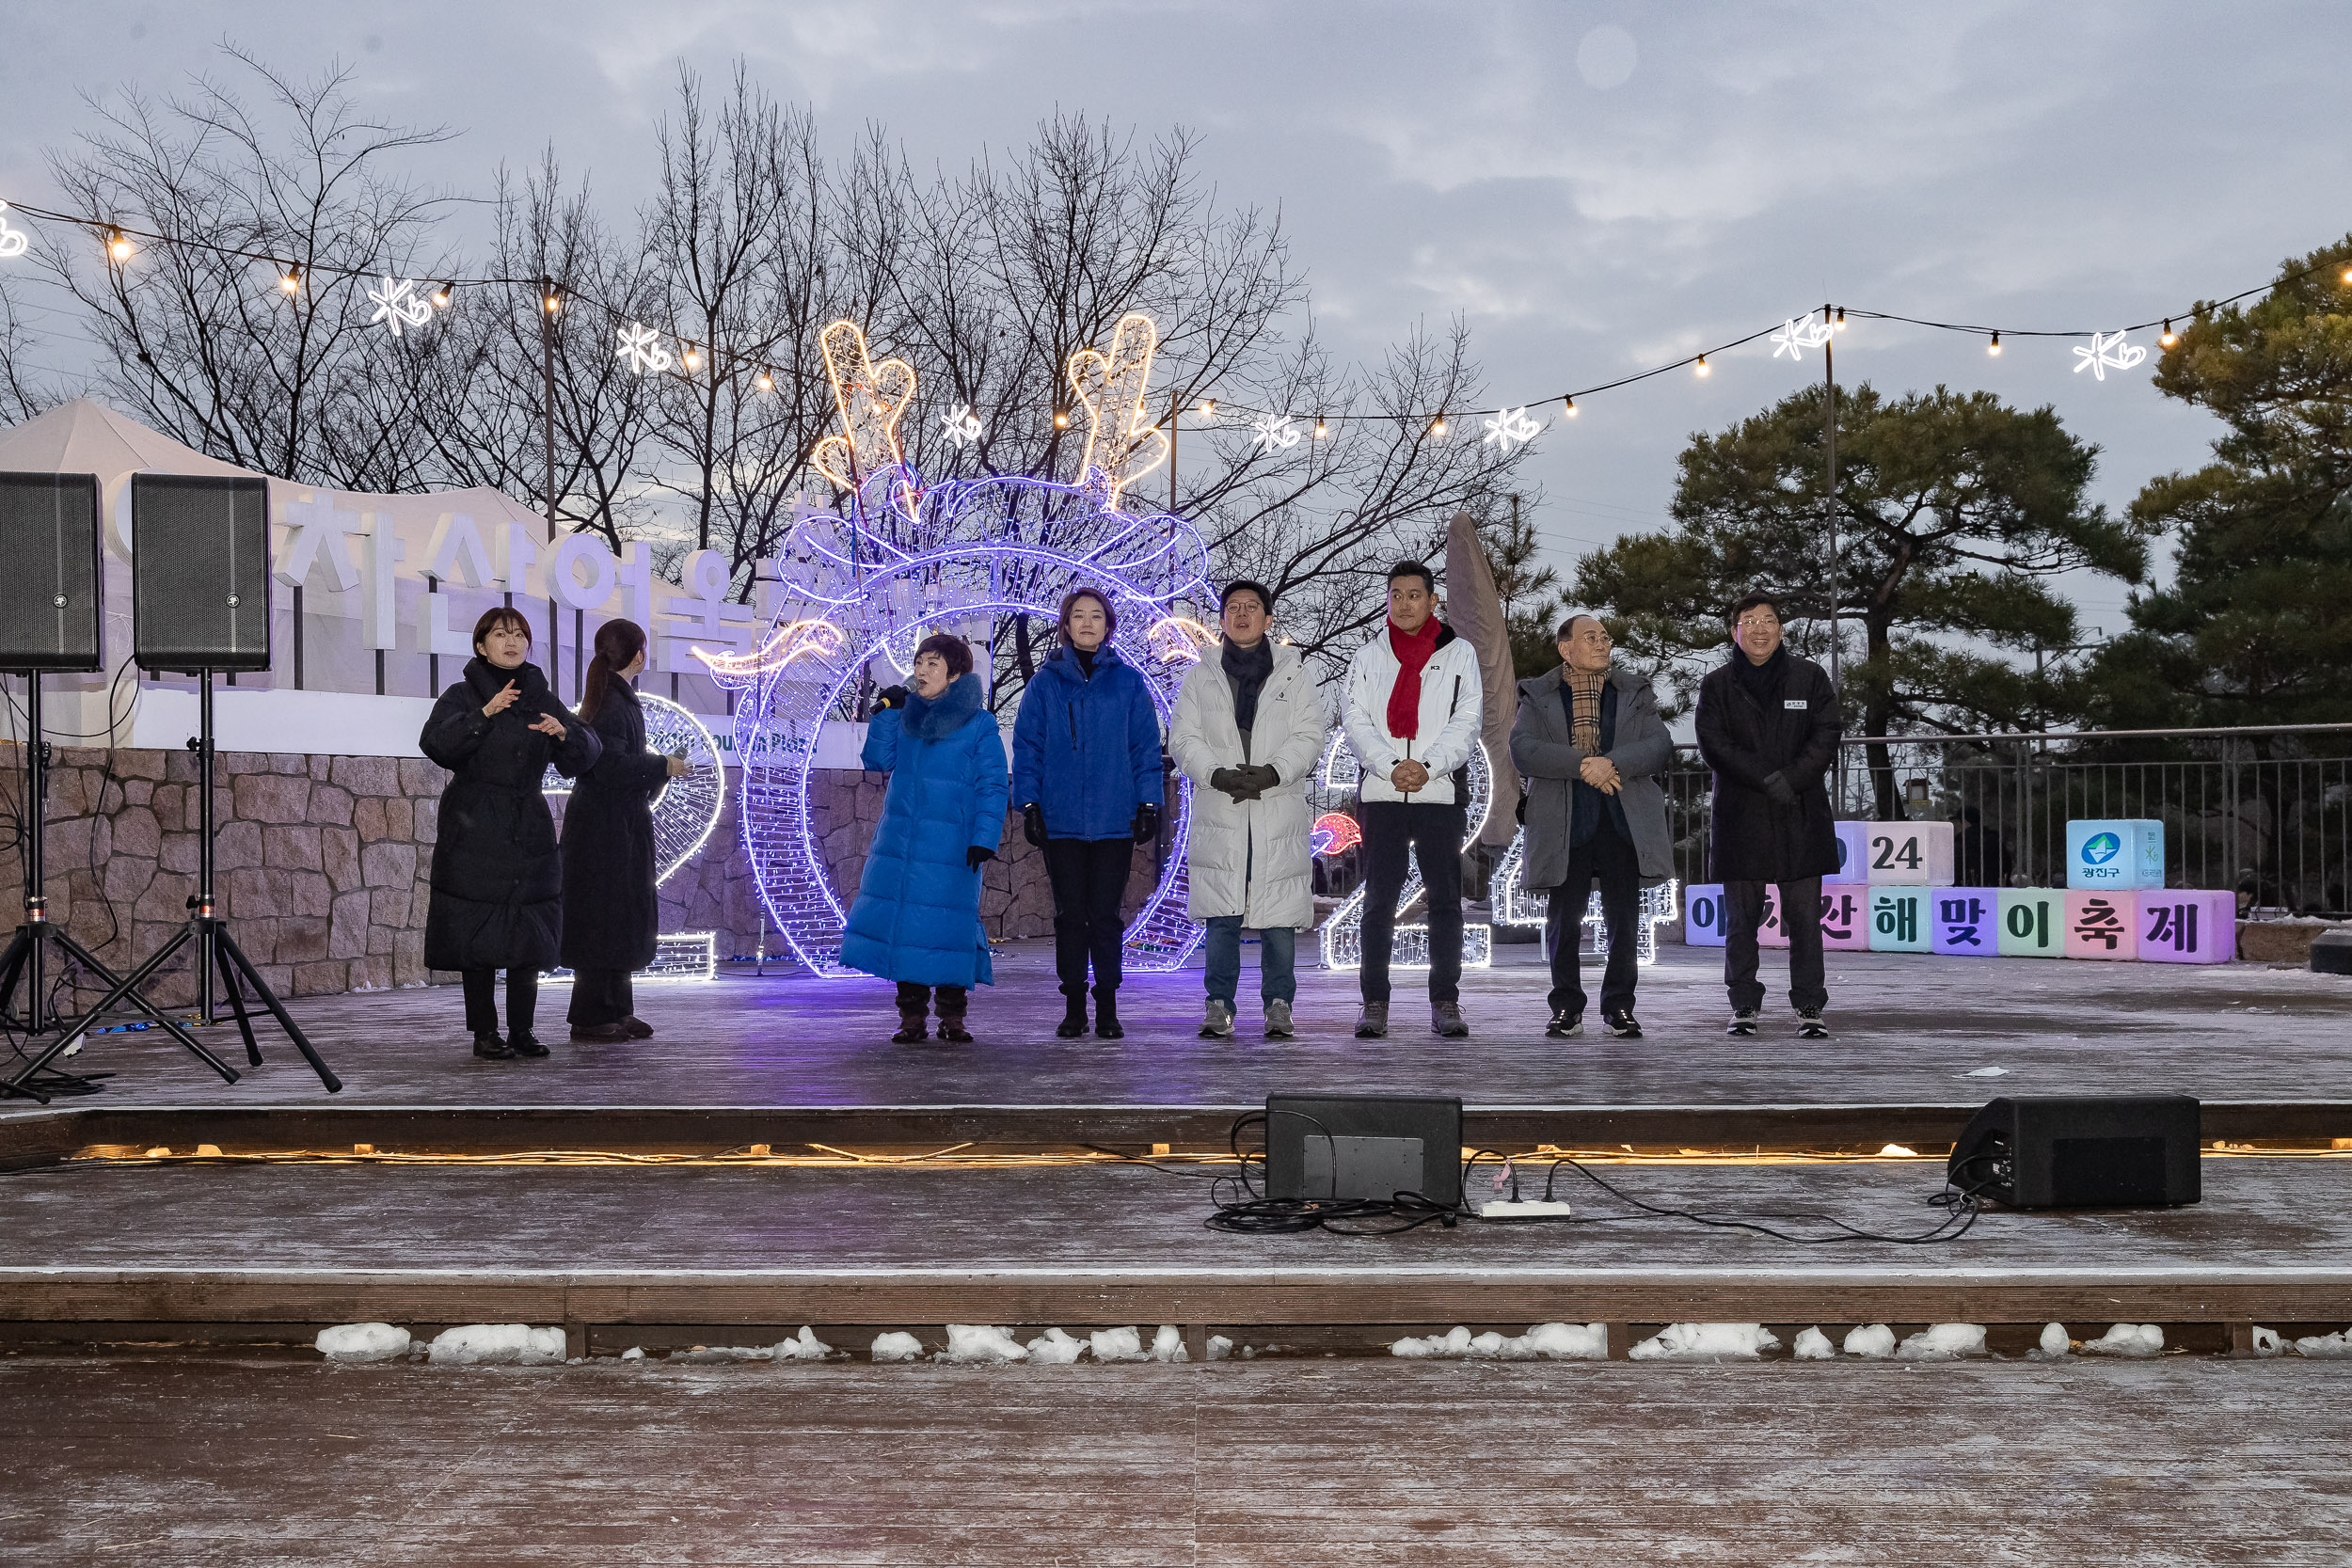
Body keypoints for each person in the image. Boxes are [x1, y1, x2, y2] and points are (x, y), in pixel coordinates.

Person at [420, 607, 599, 1059]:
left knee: (528, 935)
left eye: (519, 634)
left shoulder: (541, 695)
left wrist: (565, 735)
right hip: (475, 825)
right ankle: (485, 1033)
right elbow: (436, 744)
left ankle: (523, 1030)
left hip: (527, 827)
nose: (512, 641)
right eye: (501, 634)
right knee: (477, 936)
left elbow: (586, 752)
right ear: (482, 645)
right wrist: (483, 713)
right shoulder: (462, 694)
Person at [1169, 579, 1325, 1039]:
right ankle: (1219, 1004)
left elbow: (1309, 735)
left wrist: (1275, 773)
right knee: (1223, 915)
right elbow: (1183, 738)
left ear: (1268, 618)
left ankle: (1279, 1005)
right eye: (1232, 608)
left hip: (1277, 808)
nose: (1241, 615)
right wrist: (1216, 775)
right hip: (1223, 807)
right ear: (1220, 621)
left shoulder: (1295, 673)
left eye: (1252, 608)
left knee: (1277, 915)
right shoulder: (1200, 676)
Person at [1509, 613, 1675, 1040]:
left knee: (1624, 919)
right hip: (1565, 823)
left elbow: (1658, 746)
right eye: (1590, 637)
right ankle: (1566, 1006)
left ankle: (1619, 1007)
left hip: (1622, 822)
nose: (1602, 644)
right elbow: (1523, 749)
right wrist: (1583, 765)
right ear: (1566, 649)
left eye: (1605, 637)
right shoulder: (1540, 694)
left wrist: (1611, 764)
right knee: (1564, 920)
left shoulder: (1634, 692)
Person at [1010, 589, 1164, 1040]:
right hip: (1061, 821)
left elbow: (1144, 748)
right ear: (1065, 625)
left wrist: (1148, 803)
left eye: (1096, 616)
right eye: (1078, 616)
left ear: (1108, 626)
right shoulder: (1044, 684)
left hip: (1114, 820)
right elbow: (1028, 747)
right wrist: (1031, 804)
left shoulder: (1129, 684)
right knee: (1069, 915)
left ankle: (1108, 1005)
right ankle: (1074, 1003)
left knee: (1106, 916)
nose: (1087, 623)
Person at [842, 632, 1009, 1042]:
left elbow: (993, 784)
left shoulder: (980, 723)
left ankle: (953, 1017)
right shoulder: (906, 717)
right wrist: (885, 714)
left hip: (953, 845)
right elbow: (878, 760)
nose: (921, 671)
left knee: (949, 928)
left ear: (954, 674)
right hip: (901, 843)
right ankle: (911, 1018)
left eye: (933, 664)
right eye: (919, 663)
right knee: (907, 927)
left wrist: (984, 836)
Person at [1341, 561, 1483, 1038]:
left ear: (1432, 600)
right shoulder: (1367, 656)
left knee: (1444, 900)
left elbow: (1467, 720)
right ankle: (1374, 1002)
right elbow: (1355, 719)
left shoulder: (1459, 653)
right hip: (1382, 794)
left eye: (1414, 595)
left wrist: (1427, 766)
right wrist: (1388, 765)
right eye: (1396, 595)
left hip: (1439, 793)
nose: (1404, 604)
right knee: (1379, 899)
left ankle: (1445, 1000)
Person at [1694, 590, 1842, 1038]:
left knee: (1804, 920)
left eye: (1769, 619)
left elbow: (1827, 733)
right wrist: (1765, 778)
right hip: (1742, 814)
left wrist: (1791, 779)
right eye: (1750, 620)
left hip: (1800, 811)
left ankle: (1810, 1007)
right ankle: (1743, 1005)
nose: (1760, 628)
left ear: (1781, 628)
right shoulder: (1717, 684)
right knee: (1741, 920)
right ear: (1734, 630)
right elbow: (1713, 742)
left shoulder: (1810, 677)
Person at [559, 619, 693, 1044]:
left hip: (614, 826)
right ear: (638, 655)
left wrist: (658, 768)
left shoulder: (613, 697)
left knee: (616, 918)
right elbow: (608, 767)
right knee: (604, 918)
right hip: (604, 831)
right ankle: (590, 1016)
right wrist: (661, 766)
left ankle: (616, 1008)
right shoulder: (614, 704)